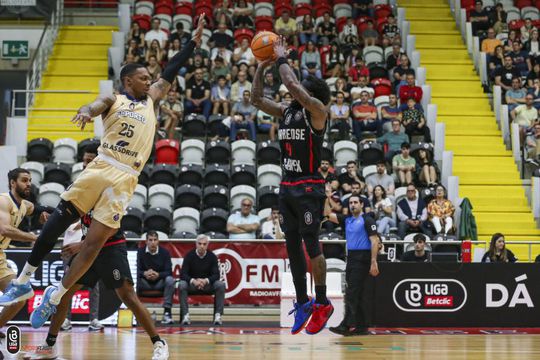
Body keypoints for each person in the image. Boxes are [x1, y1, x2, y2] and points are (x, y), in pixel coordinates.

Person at [0, 15, 206, 343]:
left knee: (95, 243)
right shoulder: (116, 99)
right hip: (103, 164)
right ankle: (25, 278)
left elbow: (171, 69)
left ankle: (55, 295)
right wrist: (86, 111)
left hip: (127, 177)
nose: (148, 80)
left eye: (148, 77)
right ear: (128, 82)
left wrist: (193, 42)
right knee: (61, 214)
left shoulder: (152, 99)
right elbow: (96, 104)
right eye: (142, 77)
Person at [251, 36, 334, 335]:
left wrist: (282, 57)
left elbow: (293, 86)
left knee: (311, 246)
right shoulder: (287, 111)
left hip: (310, 186)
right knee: (291, 247)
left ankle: (323, 302)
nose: (293, 93)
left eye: (300, 90)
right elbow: (256, 100)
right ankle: (303, 302)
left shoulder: (317, 111)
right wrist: (261, 66)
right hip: (287, 186)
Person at [25, 214, 169, 359]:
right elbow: (77, 215)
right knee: (63, 293)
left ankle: (159, 343)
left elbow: (111, 228)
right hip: (88, 250)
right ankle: (49, 346)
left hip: (110, 249)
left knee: (128, 297)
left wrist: (81, 245)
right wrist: (55, 218)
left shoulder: (110, 193)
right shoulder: (83, 193)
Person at [324, 194, 379, 336]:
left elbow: (374, 241)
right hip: (352, 258)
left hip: (363, 258)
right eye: (350, 203)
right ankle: (362, 326)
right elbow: (327, 214)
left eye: (355, 202)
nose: (352, 205)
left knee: (351, 293)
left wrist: (373, 261)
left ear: (361, 204)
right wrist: (327, 198)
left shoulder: (367, 219)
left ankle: (346, 325)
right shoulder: (347, 220)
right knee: (358, 293)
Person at [0, 169, 43, 333]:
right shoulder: (3, 201)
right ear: (12, 183)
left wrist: (43, 213)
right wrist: (33, 238)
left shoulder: (24, 205)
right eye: (24, 180)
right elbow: (5, 230)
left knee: (19, 297)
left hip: (0, 257)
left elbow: (36, 208)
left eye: (30, 180)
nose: (29, 184)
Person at [179, 234, 225, 326]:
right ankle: (185, 315)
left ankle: (218, 315)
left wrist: (205, 281)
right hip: (192, 285)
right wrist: (194, 281)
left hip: (207, 285)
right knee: (182, 284)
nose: (202, 246)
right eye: (199, 244)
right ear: (196, 244)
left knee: (220, 284)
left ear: (207, 245)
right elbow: (183, 274)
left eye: (204, 244)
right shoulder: (189, 255)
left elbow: (216, 275)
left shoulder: (212, 256)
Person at [137, 231, 175, 325]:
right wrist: (145, 273)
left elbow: (169, 271)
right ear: (146, 241)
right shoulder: (139, 252)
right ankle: (136, 313)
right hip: (144, 282)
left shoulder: (165, 253)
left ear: (158, 241)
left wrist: (158, 274)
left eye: (155, 240)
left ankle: (167, 313)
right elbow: (135, 270)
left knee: (170, 280)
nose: (153, 242)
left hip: (159, 283)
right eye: (150, 240)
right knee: (132, 279)